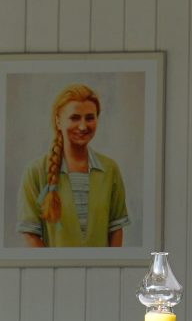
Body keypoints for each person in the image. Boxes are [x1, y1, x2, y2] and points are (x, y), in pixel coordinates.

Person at [17, 83, 130, 247]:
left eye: (90, 118)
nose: (83, 126)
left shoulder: (110, 169)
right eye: (75, 118)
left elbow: (116, 229)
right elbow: (30, 234)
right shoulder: (35, 172)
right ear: (58, 121)